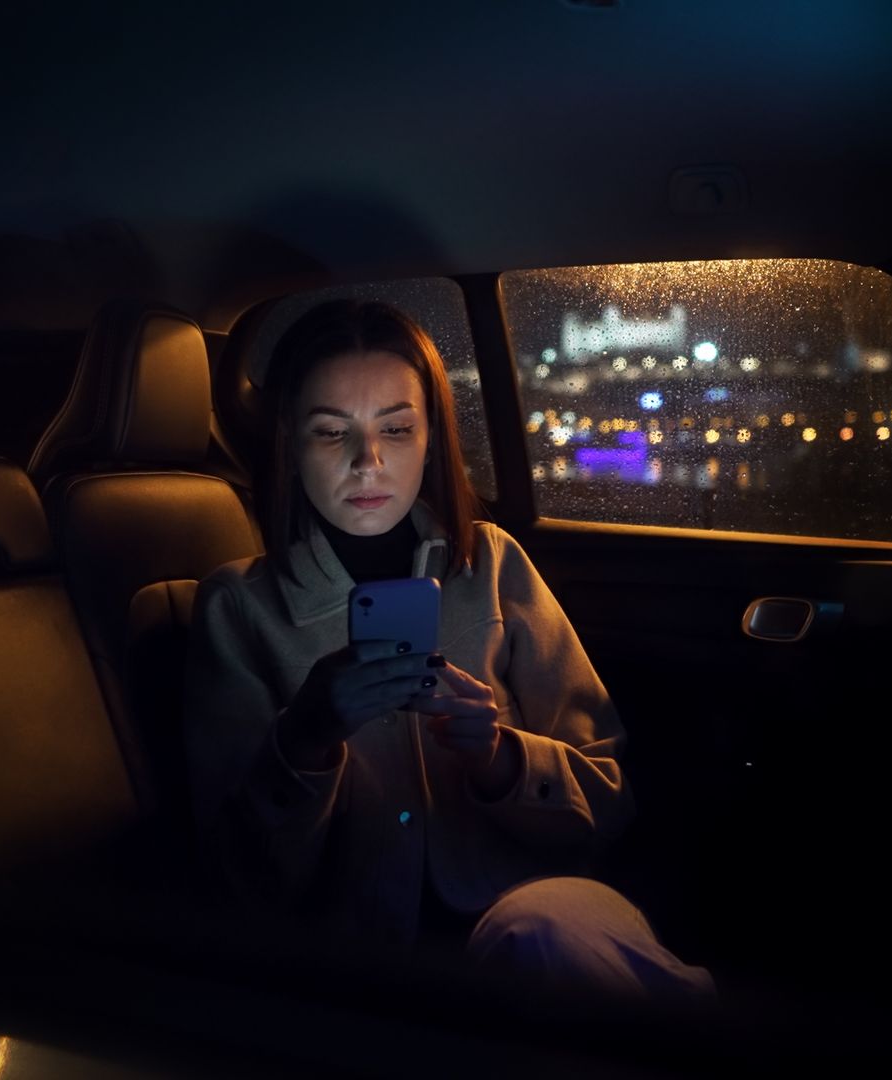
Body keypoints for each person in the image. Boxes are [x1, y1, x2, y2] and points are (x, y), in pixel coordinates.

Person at [184, 299, 713, 1000]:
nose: (367, 462)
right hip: (360, 974)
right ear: (288, 441)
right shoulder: (239, 609)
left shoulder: (491, 565)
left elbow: (609, 802)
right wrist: (303, 741)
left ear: (432, 436)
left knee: (544, 932)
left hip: (534, 920)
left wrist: (500, 760)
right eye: (330, 432)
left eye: (396, 428)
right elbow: (234, 884)